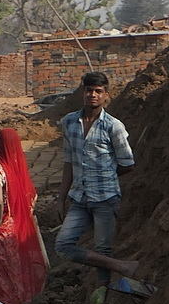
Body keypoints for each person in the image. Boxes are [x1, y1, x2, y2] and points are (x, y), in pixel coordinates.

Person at [56, 71, 140, 285]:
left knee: (103, 249)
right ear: (82, 93)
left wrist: (106, 174)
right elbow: (68, 161)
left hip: (105, 198)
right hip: (79, 198)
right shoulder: (69, 122)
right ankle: (122, 266)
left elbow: (127, 163)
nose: (93, 95)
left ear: (106, 96)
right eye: (89, 90)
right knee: (63, 245)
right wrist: (61, 197)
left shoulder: (113, 126)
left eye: (98, 91)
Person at [0, 128, 49, 304]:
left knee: (0, 271)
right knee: (15, 269)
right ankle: (21, 302)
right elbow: (32, 198)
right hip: (13, 228)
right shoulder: (18, 173)